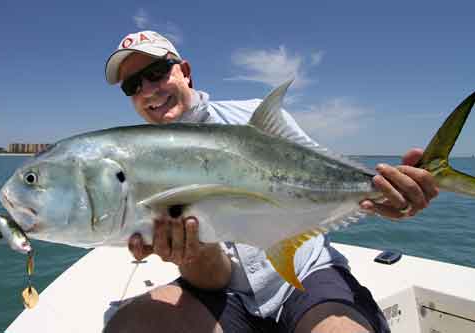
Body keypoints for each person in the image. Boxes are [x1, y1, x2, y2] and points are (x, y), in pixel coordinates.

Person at [103, 31, 438, 333]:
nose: (148, 90)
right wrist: (191, 253)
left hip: (306, 275)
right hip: (222, 291)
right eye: (133, 86)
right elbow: (214, 278)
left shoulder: (252, 117)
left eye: (156, 73)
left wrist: (386, 195)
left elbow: (323, 176)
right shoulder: (133, 168)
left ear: (185, 72)